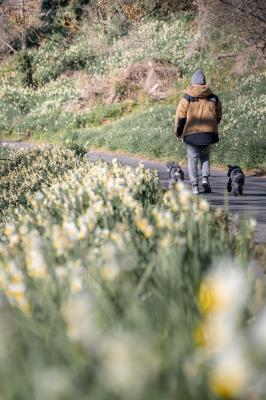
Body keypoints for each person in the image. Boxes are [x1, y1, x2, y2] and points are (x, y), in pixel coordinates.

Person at [174, 69, 222, 194]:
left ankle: (195, 185)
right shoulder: (213, 97)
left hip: (192, 134)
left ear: (193, 83)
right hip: (208, 134)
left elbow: (180, 116)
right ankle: (205, 179)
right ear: (204, 83)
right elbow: (218, 115)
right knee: (205, 157)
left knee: (192, 160)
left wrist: (178, 132)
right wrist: (212, 127)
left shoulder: (187, 97)